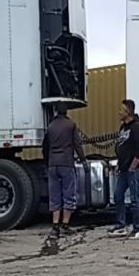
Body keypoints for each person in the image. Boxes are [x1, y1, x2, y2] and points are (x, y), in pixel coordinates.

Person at [42, 102, 86, 238]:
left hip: (52, 165)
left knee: (55, 195)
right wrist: (83, 160)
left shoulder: (50, 126)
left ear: (55, 111)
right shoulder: (71, 125)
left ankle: (55, 226)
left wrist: (47, 162)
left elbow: (45, 147)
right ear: (66, 112)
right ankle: (65, 225)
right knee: (68, 193)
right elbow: (77, 145)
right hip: (66, 163)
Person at [108, 99, 139, 240]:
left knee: (134, 199)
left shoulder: (137, 128)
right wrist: (119, 165)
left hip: (133, 170)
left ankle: (138, 229)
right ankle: (121, 226)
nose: (119, 112)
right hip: (123, 169)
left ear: (128, 112)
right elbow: (121, 147)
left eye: (121, 109)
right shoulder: (123, 128)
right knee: (118, 196)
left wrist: (133, 166)